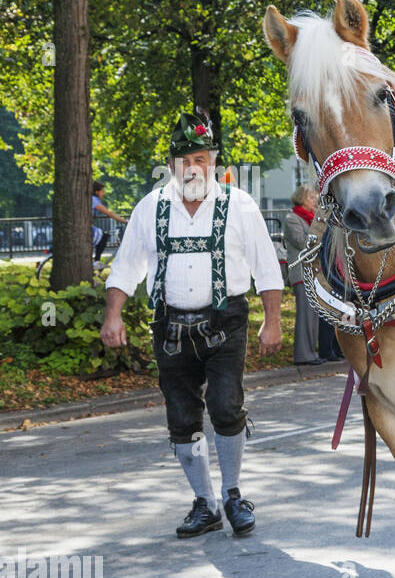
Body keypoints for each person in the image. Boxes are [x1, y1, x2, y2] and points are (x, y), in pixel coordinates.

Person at [100, 109, 284, 538]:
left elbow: (266, 267)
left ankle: (233, 494)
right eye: (185, 160)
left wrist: (271, 321)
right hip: (169, 328)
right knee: (182, 417)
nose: (193, 167)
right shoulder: (150, 208)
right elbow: (126, 268)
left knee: (224, 406)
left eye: (201, 158)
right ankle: (205, 503)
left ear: (214, 163)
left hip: (226, 324)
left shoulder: (240, 205)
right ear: (171, 166)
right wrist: (113, 314)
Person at [282, 184, 322, 365]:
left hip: (313, 274)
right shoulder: (292, 219)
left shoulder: (311, 219)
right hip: (301, 274)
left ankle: (311, 353)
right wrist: (319, 234)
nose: (315, 201)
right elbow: (302, 243)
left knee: (313, 317)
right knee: (305, 316)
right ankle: (302, 355)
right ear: (302, 199)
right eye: (311, 198)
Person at [91, 181, 127, 262]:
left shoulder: (92, 199)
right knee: (104, 236)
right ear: (97, 192)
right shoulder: (94, 200)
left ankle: (96, 261)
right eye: (102, 191)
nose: (104, 194)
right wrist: (125, 221)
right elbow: (109, 213)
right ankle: (96, 261)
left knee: (103, 236)